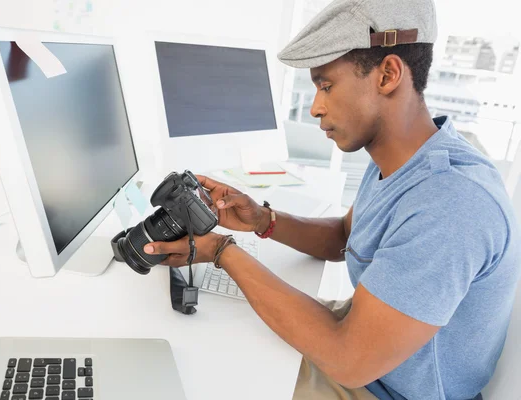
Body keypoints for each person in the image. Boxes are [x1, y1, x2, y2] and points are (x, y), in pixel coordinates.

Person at [143, 0, 521, 398]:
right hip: (367, 349)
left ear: (388, 74)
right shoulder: (404, 158)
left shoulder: (449, 202)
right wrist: (261, 220)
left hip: (381, 385)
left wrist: (223, 251)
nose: (315, 107)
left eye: (326, 86)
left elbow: (348, 361)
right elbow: (345, 236)